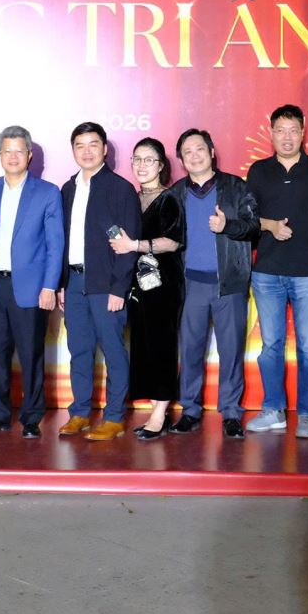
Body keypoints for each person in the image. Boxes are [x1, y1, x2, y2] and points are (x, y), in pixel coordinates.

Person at [245, 104, 308, 439]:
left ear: (303, 133)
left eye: (293, 130)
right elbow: (246, 219)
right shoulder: (258, 171)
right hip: (267, 272)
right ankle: (273, 410)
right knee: (271, 345)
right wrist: (269, 225)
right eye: (280, 130)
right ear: (271, 133)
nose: (287, 137)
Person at [165, 129, 260, 439]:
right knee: (190, 350)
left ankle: (231, 413)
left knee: (231, 351)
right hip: (190, 284)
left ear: (212, 151)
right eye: (187, 152)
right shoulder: (175, 193)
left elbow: (253, 227)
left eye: (199, 149)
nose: (195, 156)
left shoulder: (235, 186)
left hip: (228, 284)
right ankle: (189, 410)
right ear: (181, 160)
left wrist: (227, 225)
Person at [0, 125, 64, 438]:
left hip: (31, 288)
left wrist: (49, 286)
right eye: (7, 151)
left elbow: (55, 245)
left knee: (31, 354)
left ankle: (32, 416)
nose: (13, 157)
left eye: (19, 151)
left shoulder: (47, 192)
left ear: (30, 155)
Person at [58, 122, 142, 440]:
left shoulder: (120, 189)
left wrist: (119, 287)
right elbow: (62, 240)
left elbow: (128, 243)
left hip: (106, 286)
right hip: (74, 282)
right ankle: (80, 413)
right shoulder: (67, 189)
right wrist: (62, 283)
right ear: (73, 150)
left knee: (113, 351)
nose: (87, 151)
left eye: (93, 144)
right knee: (79, 350)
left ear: (105, 149)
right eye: (80, 145)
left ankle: (114, 416)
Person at [107, 137, 184, 440]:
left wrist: (134, 245)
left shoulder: (169, 199)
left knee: (162, 346)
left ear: (161, 165)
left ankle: (159, 414)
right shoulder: (130, 198)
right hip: (137, 286)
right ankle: (155, 409)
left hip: (164, 286)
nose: (142, 165)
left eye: (149, 159)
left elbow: (173, 242)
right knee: (143, 347)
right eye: (137, 159)